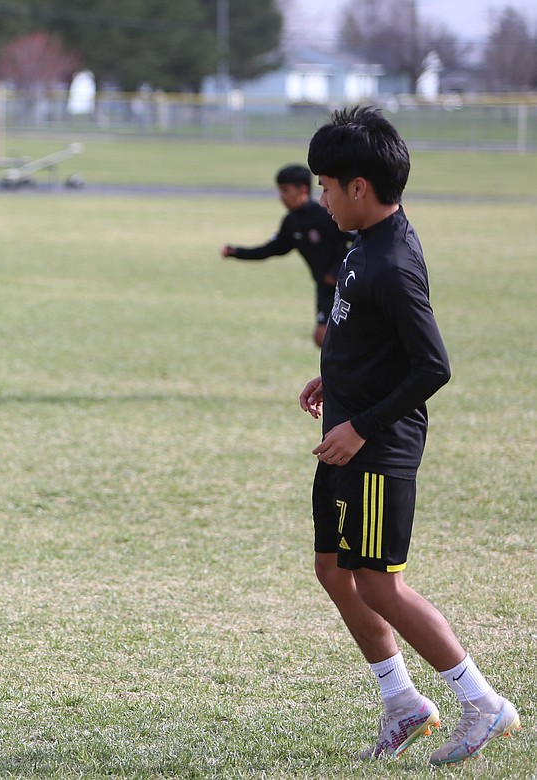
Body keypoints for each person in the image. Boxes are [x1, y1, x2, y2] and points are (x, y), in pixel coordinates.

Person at [298, 106, 519, 765]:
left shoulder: (393, 261)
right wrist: (327, 378)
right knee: (335, 571)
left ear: (358, 187)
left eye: (327, 186)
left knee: (379, 584)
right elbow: (363, 335)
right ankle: (403, 703)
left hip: (374, 447)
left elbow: (433, 366)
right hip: (346, 431)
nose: (321, 197)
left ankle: (483, 703)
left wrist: (361, 425)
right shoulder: (362, 241)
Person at [221, 164, 351, 347]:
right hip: (324, 287)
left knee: (335, 337)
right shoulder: (291, 222)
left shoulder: (325, 215)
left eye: (285, 190)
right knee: (322, 338)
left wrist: (337, 271)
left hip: (346, 285)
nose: (281, 197)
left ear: (302, 189)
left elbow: (359, 239)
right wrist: (237, 252)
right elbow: (272, 249)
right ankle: (342, 374)